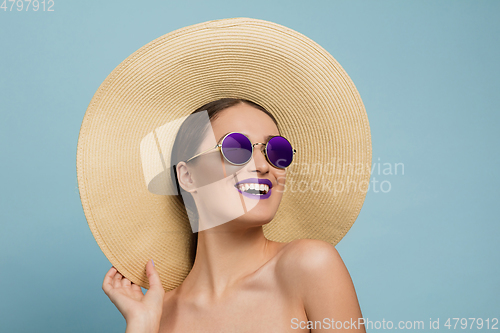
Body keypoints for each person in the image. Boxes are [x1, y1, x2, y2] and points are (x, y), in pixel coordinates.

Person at [102, 98, 366, 333]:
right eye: (236, 149)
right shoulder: (159, 314)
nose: (263, 166)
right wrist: (142, 327)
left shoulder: (309, 265)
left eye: (276, 151)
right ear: (188, 176)